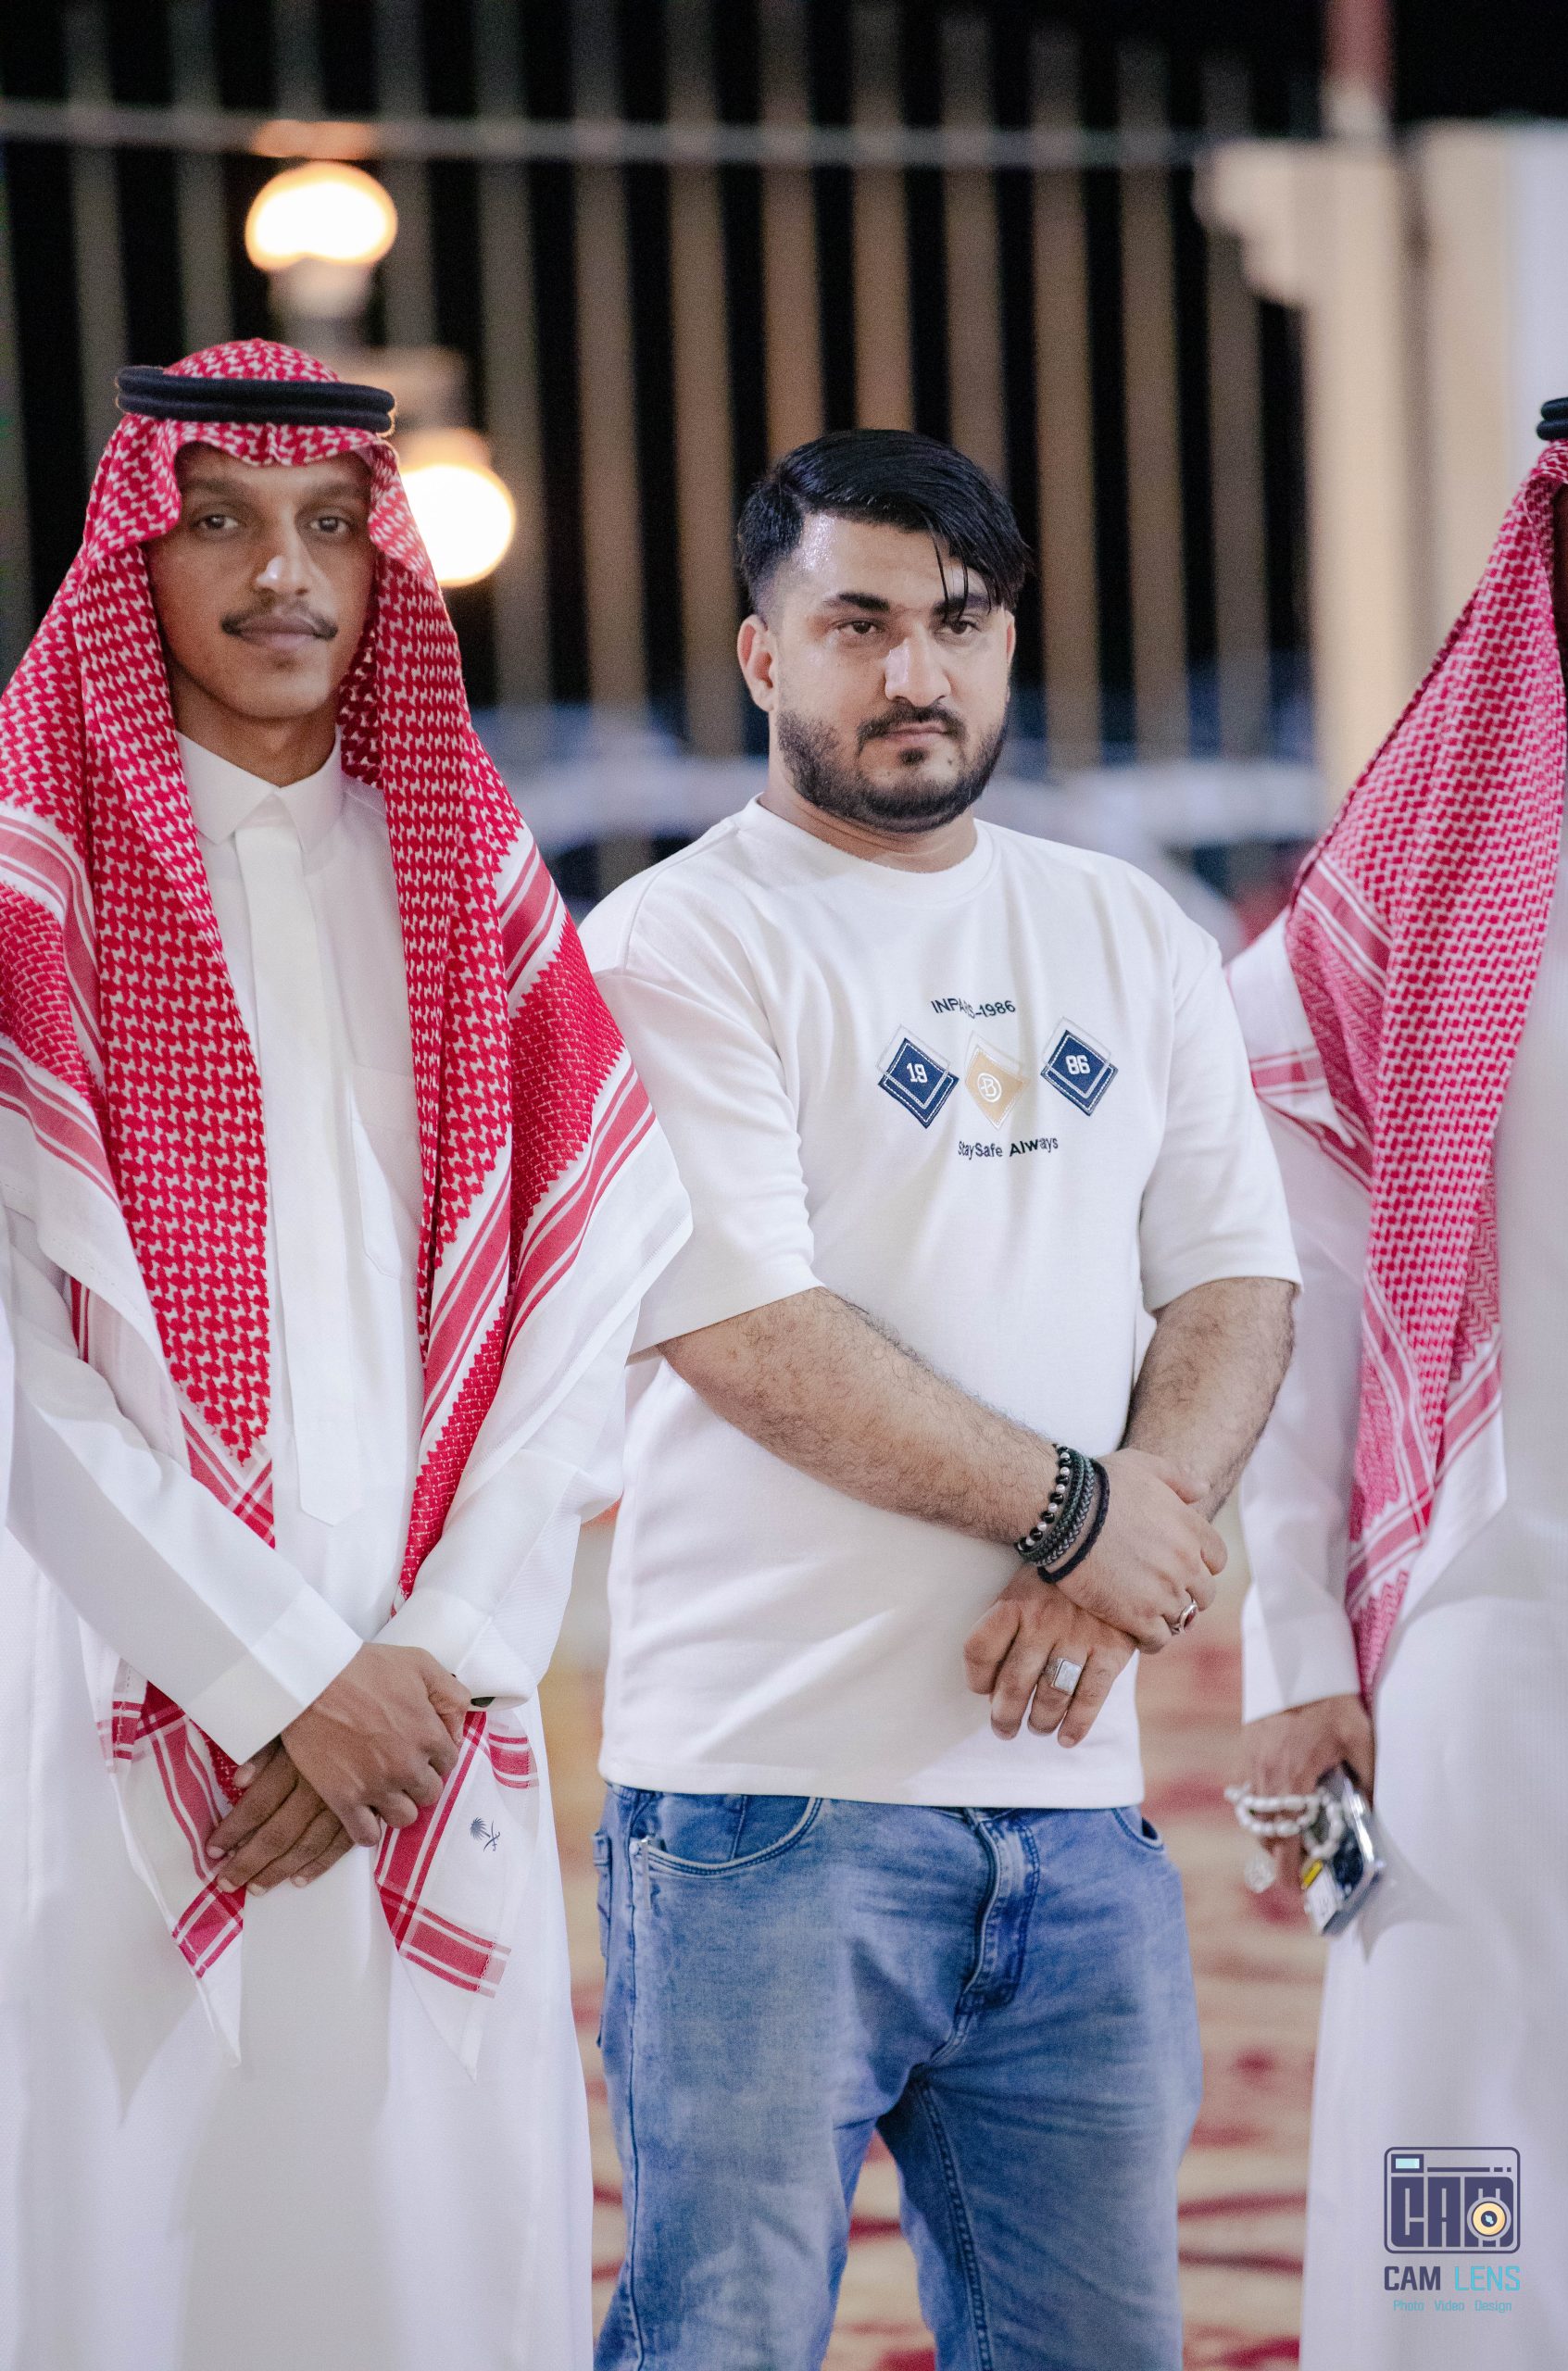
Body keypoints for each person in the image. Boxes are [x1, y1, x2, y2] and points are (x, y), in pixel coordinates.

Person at [579, 428, 1301, 2371]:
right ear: (763, 655)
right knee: (720, 2341)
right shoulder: (677, 942)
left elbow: (1234, 1282)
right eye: (860, 624)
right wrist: (1080, 1514)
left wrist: (1117, 1546)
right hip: (761, 1805)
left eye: (959, 623)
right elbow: (749, 1330)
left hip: (1076, 1815)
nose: (916, 671)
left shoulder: (1123, 928)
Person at [0, 342, 687, 2371]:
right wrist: (280, 1675)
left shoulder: (472, 886)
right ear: (135, 556)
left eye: (327, 525)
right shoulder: (34, 898)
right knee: (144, 2232)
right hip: (126, 1688)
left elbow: (585, 1292)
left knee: (428, 2238)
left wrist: (436, 1650)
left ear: (387, 565)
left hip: (426, 1712)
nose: (280, 571)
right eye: (218, 520)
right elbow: (24, 1374)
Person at [1231, 408, 1568, 2368]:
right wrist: (1294, 1641)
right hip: (1493, 1598)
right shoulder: (1426, 888)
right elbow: (1291, 1304)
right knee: (1463, 2116)